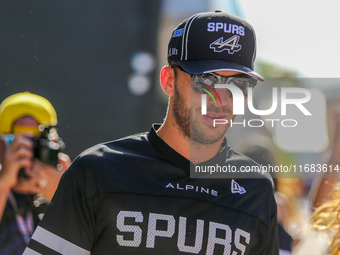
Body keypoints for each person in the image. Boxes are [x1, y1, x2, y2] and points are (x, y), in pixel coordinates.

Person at [24, 11, 278, 254]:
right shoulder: (98, 171)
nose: (221, 99)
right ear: (169, 80)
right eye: (206, 81)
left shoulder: (256, 189)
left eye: (238, 84)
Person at [0, 92, 71, 254]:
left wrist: (67, 195)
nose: (30, 155)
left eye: (38, 145)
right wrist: (3, 183)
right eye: (19, 144)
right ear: (1, 147)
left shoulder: (66, 185)